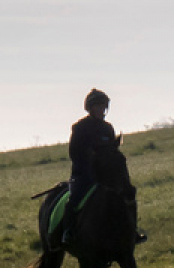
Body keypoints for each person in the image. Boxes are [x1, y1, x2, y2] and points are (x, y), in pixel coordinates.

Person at [58, 88, 145, 248]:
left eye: (103, 107)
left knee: (128, 194)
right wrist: (90, 165)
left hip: (105, 175)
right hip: (83, 175)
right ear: (90, 108)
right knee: (74, 199)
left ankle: (132, 230)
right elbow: (74, 154)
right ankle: (68, 231)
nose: (101, 110)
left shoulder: (108, 128)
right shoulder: (79, 128)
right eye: (98, 106)